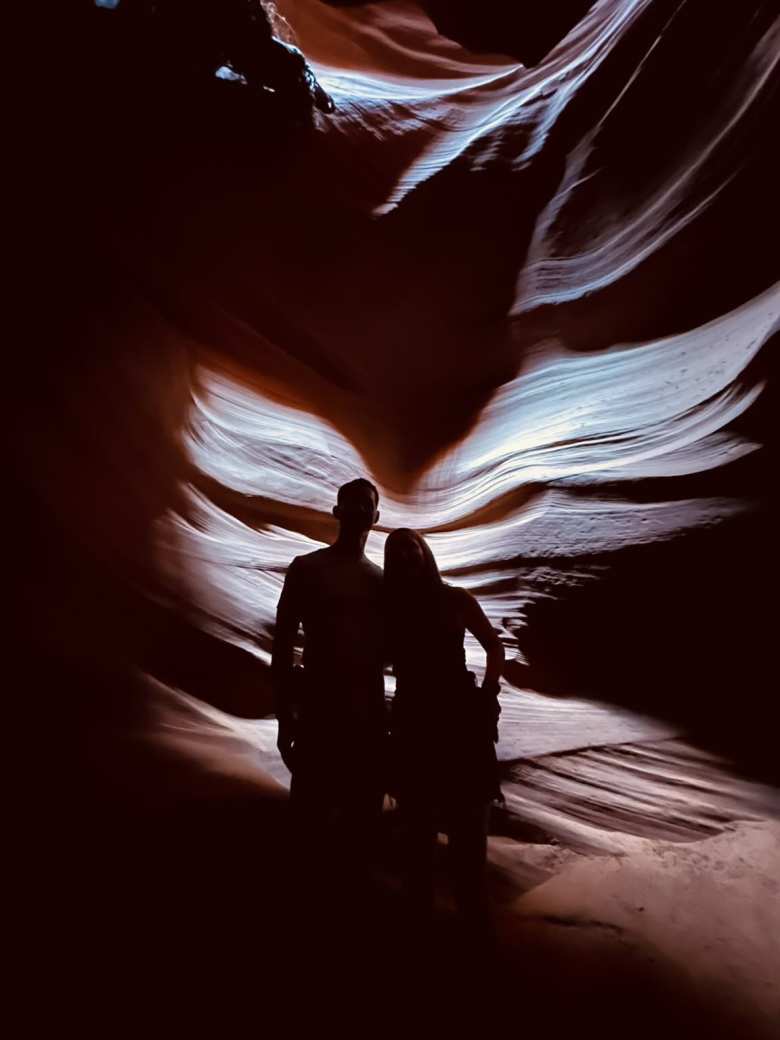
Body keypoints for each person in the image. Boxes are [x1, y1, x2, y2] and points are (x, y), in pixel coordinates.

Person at [383, 528, 504, 930]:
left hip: (457, 719)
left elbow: (493, 645)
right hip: (415, 720)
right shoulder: (389, 609)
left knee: (467, 829)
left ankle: (472, 921)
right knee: (418, 831)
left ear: (425, 552)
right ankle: (426, 926)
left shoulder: (455, 599)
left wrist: (489, 694)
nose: (404, 554)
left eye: (410, 546)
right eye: (395, 550)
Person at [271, 478, 386, 880]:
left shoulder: (384, 583)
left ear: (375, 516)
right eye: (350, 503)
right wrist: (285, 715)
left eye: (364, 504)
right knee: (310, 821)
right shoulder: (307, 569)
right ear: (337, 512)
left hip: (366, 717)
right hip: (319, 712)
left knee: (359, 825)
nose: (357, 511)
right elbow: (283, 644)